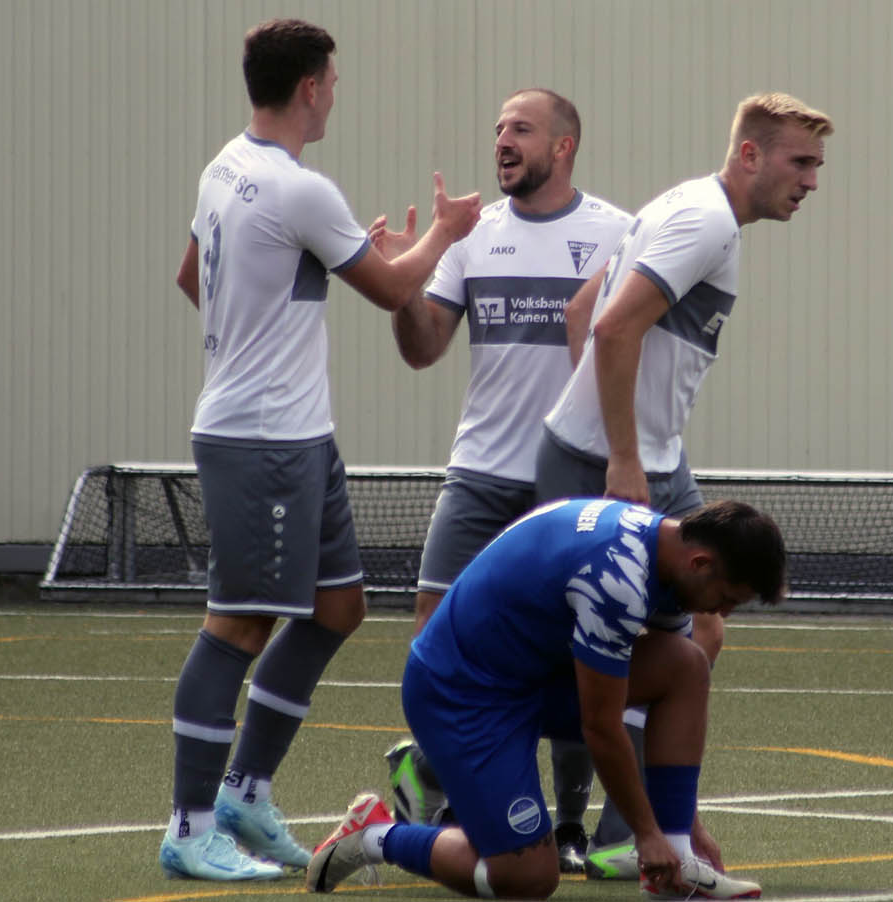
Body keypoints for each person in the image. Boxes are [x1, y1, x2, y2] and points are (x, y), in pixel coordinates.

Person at [161, 18, 481, 881]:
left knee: (339, 607)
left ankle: (246, 794)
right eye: (333, 80)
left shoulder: (224, 165)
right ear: (309, 86)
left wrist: (259, 322)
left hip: (297, 434)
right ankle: (191, 827)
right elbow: (391, 290)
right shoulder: (301, 189)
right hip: (262, 439)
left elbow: (196, 277)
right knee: (238, 627)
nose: (336, 91)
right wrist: (443, 233)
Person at [533, 90, 833, 877]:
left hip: (653, 459)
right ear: (749, 154)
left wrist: (630, 438)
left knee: (700, 634)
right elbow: (608, 325)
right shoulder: (704, 220)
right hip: (626, 465)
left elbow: (579, 312)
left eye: (816, 165)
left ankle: (639, 831)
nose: (811, 180)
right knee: (608, 652)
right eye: (800, 162)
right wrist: (619, 453)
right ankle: (443, 775)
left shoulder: (692, 208)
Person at [367, 86, 631, 873]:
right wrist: (401, 286)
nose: (502, 141)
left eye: (520, 129)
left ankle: (572, 823)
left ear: (565, 144)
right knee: (433, 633)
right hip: (481, 473)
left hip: (571, 476)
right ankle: (449, 794)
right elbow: (422, 348)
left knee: (574, 650)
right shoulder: (470, 237)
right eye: (497, 131)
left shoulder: (615, 231)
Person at [306, 498, 786, 900]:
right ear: (700, 563)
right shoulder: (616, 580)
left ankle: (678, 864)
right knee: (527, 877)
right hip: (462, 694)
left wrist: (681, 827)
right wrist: (645, 834)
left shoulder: (666, 561)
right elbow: (601, 728)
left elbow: (651, 709)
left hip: (531, 675)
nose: (722, 612)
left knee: (686, 664)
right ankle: (374, 834)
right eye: (728, 598)